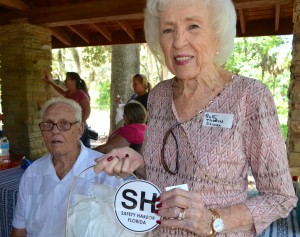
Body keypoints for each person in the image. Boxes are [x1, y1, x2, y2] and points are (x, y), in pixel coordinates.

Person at [94, 0, 297, 236]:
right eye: (168, 29)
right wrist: (138, 164)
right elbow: (164, 177)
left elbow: (281, 197)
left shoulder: (249, 97)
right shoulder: (159, 95)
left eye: (193, 26)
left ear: (218, 35)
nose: (179, 42)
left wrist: (213, 221)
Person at [11, 97, 123, 237]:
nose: (55, 131)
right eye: (48, 124)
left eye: (64, 124)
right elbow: (20, 229)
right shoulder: (33, 173)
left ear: (80, 130)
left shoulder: (104, 171)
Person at [44, 72, 91, 147]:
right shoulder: (68, 93)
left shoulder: (81, 94)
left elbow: (87, 110)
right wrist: (50, 82)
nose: (64, 81)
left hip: (79, 125)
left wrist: (81, 123)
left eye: (67, 79)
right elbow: (61, 91)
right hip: (72, 125)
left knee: (82, 148)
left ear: (74, 81)